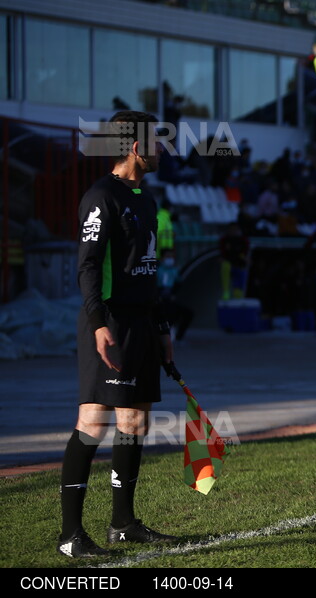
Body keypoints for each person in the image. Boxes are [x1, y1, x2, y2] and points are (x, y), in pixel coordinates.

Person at [60, 111, 177, 558]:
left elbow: (149, 272)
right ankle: (71, 535)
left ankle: (122, 524)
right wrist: (98, 324)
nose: (163, 150)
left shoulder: (146, 201)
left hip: (143, 323)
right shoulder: (100, 197)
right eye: (157, 142)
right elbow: (87, 266)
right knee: (92, 423)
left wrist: (162, 328)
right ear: (135, 147)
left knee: (134, 422)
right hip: (110, 322)